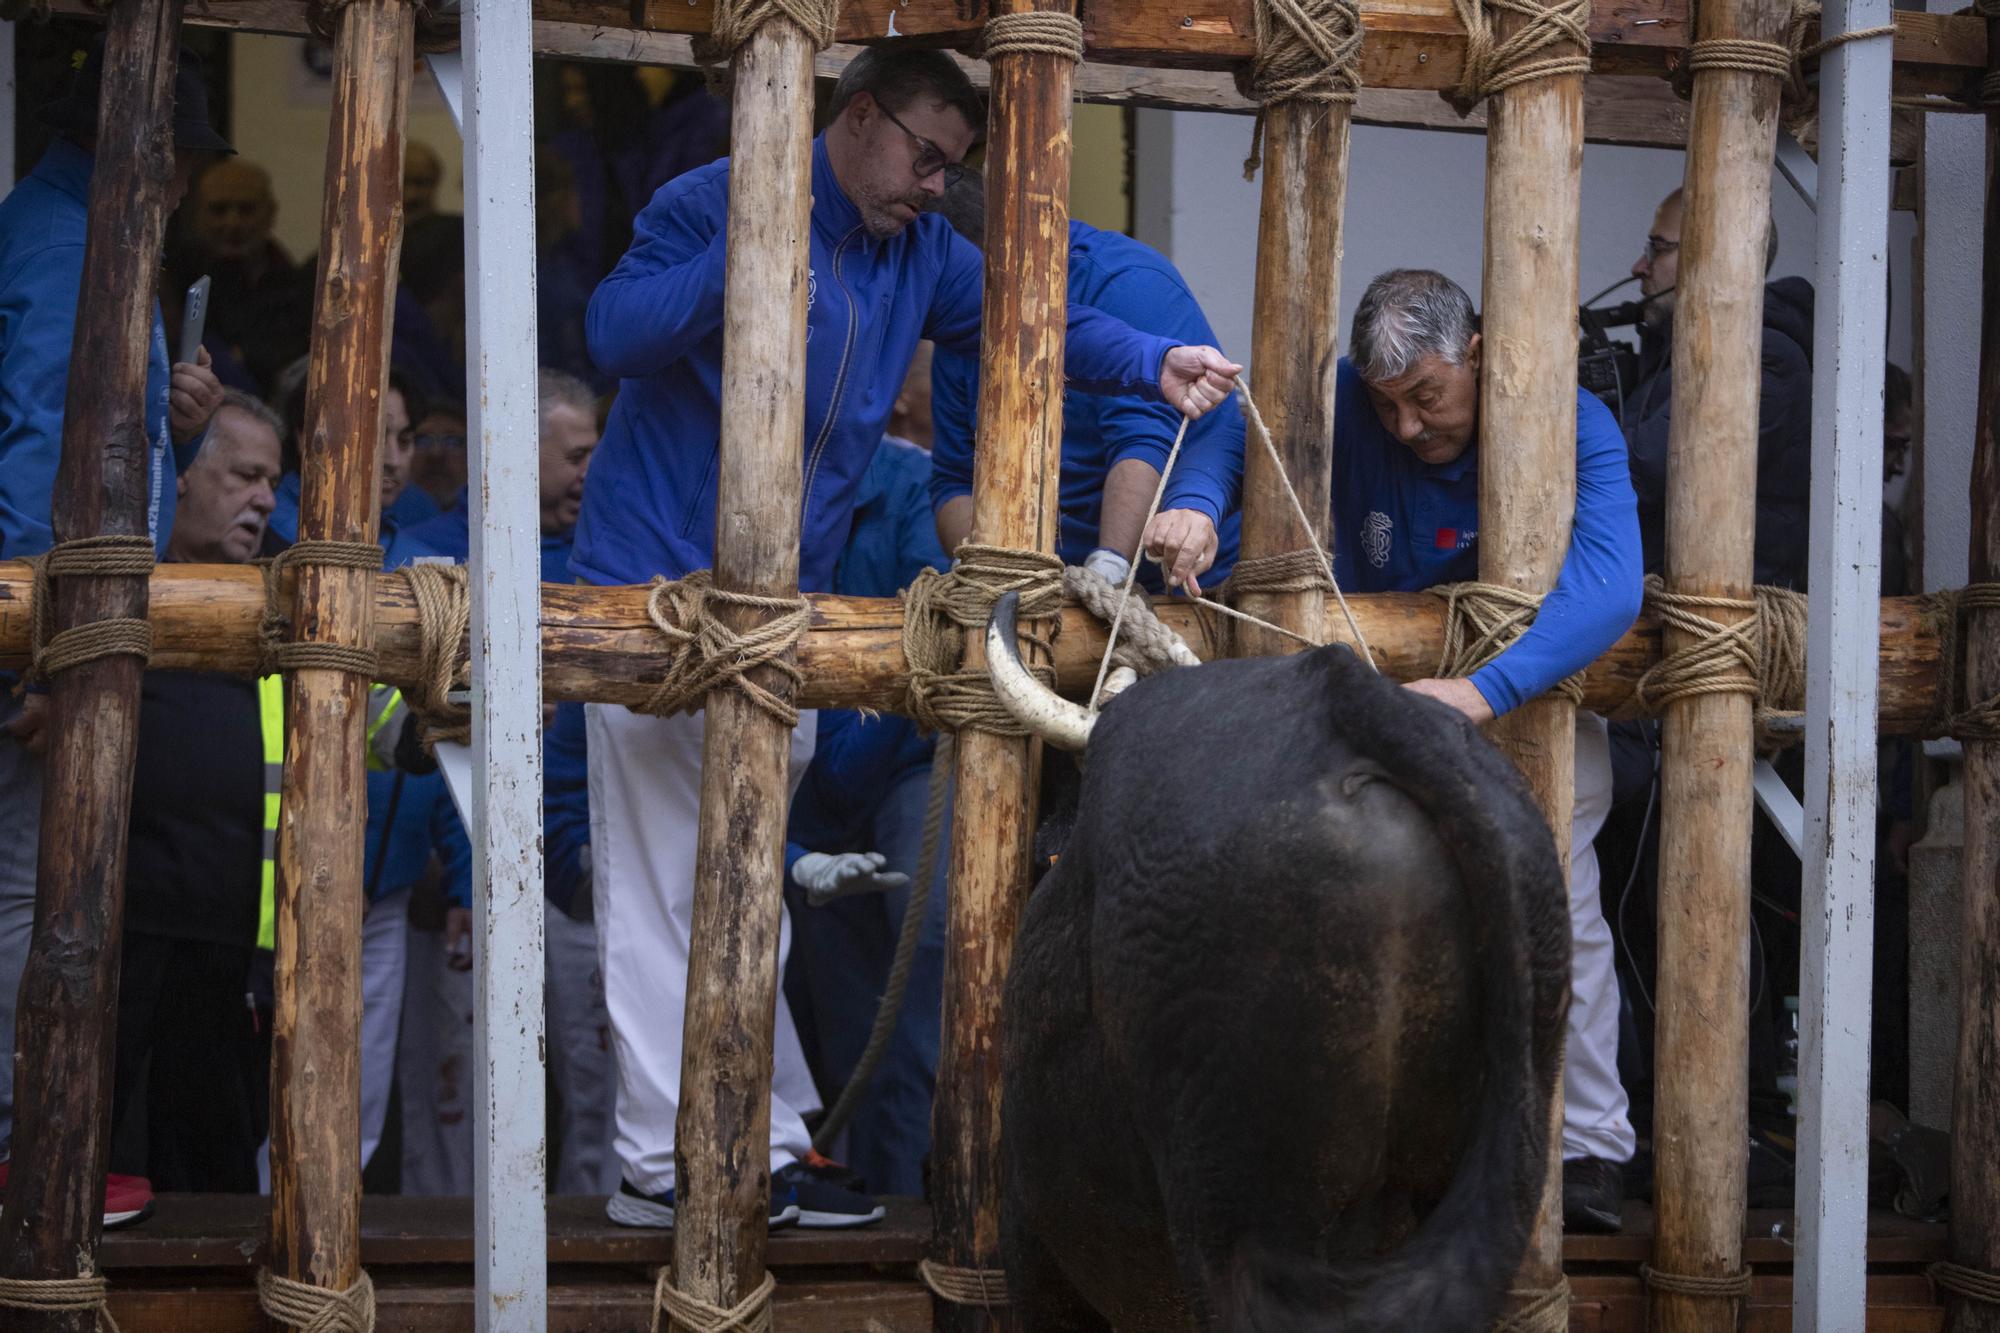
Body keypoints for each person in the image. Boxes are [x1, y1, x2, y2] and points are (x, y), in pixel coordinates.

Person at [577, 46, 1242, 1231]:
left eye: (953, 167)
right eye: (925, 157)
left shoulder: (921, 251)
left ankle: (761, 1132)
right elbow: (613, 333)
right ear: (855, 117)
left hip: (788, 604)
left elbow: (1032, 320)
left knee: (739, 886)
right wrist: (747, 253)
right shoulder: (714, 197)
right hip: (656, 589)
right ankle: (653, 1160)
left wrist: (1152, 360)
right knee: (664, 887)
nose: (937, 186)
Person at [1328, 269, 1644, 1233]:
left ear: (1475, 351)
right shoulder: (1339, 402)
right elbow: (1239, 432)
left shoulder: (1571, 415)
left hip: (1530, 707)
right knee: (1387, 922)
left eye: (1427, 397)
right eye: (1388, 408)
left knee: (1560, 910)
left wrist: (1479, 692)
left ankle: (1590, 1147)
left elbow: (1609, 587)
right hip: (1385, 707)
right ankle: (1411, 1150)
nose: (1410, 430)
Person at [0, 41, 227, 1204]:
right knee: (29, 898)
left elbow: (84, 451)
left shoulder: (56, 229)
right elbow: (41, 453)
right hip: (45, 635)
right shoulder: (71, 239)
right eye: (184, 159)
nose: (188, 187)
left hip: (51, 618)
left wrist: (177, 434)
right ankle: (23, 1155)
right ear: (140, 148)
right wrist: (39, 655)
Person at [386, 371, 610, 1196]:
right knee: (462, 1105)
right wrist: (462, 868)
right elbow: (420, 736)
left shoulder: (612, 558)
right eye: (577, 454)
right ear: (518, 453)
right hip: (462, 877)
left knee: (600, 1091)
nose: (593, 469)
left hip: (586, 866)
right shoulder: (431, 556)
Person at [110, 390, 284, 1197]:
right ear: (179, 475)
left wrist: (442, 720)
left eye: (272, 482)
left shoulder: (287, 604)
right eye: (245, 474)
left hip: (234, 953)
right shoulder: (108, 582)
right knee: (104, 1171)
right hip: (115, 942)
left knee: (215, 1187)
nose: (265, 499)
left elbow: (383, 727)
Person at [927, 172, 1244, 596]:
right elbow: (954, 477)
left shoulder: (1124, 283)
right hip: (1046, 581)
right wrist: (994, 577)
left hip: (1175, 580)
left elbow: (1142, 441)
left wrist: (1105, 577)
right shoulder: (958, 316)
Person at [782, 435, 950, 1197]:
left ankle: (917, 1202)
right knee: (843, 1019)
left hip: (898, 763)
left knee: (930, 960)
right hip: (793, 776)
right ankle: (853, 1199)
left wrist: (833, 782)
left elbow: (930, 633)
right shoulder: (745, 473)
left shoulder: (910, 482)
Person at [1623, 188, 1814, 590]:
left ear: (1710, 258)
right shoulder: (1676, 353)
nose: (1640, 266)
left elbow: (1639, 473)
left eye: (1658, 248)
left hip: (1721, 627)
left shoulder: (1762, 358)